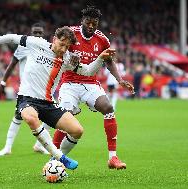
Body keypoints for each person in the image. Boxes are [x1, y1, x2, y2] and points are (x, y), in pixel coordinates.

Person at [0, 26, 115, 169]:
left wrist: (100, 59)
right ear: (54, 39)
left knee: (77, 130)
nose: (63, 49)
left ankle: (54, 161)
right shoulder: (36, 43)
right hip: (27, 99)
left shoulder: (67, 59)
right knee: (30, 118)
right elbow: (11, 37)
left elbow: (88, 71)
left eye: (67, 47)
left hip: (48, 103)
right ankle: (61, 158)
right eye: (61, 44)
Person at [50, 6, 134, 170]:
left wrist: (120, 80)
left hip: (90, 83)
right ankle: (53, 156)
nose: (91, 26)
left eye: (94, 23)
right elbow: (58, 48)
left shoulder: (102, 39)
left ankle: (113, 158)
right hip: (69, 83)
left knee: (108, 107)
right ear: (82, 21)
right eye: (88, 22)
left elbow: (108, 61)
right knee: (65, 116)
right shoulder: (71, 34)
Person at [0, 23, 50, 156]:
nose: (37, 35)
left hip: (43, 89)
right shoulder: (24, 46)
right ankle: (7, 147)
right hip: (26, 89)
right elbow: (12, 64)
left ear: (43, 34)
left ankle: (39, 145)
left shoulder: (47, 47)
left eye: (39, 33)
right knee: (18, 116)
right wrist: (2, 83)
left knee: (50, 117)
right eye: (35, 32)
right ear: (31, 32)